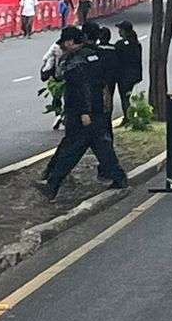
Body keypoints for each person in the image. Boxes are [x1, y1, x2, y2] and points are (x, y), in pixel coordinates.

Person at [41, 27, 127, 198]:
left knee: (73, 149)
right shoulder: (96, 55)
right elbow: (103, 81)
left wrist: (85, 112)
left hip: (81, 111)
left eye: (65, 42)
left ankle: (52, 185)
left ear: (71, 42)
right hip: (97, 109)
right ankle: (119, 178)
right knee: (101, 147)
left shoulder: (76, 61)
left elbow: (82, 87)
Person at [113, 21, 143, 121]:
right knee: (127, 96)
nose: (119, 32)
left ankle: (128, 117)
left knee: (124, 97)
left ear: (125, 31)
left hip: (124, 76)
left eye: (120, 30)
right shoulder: (136, 43)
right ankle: (128, 117)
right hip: (134, 74)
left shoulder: (121, 44)